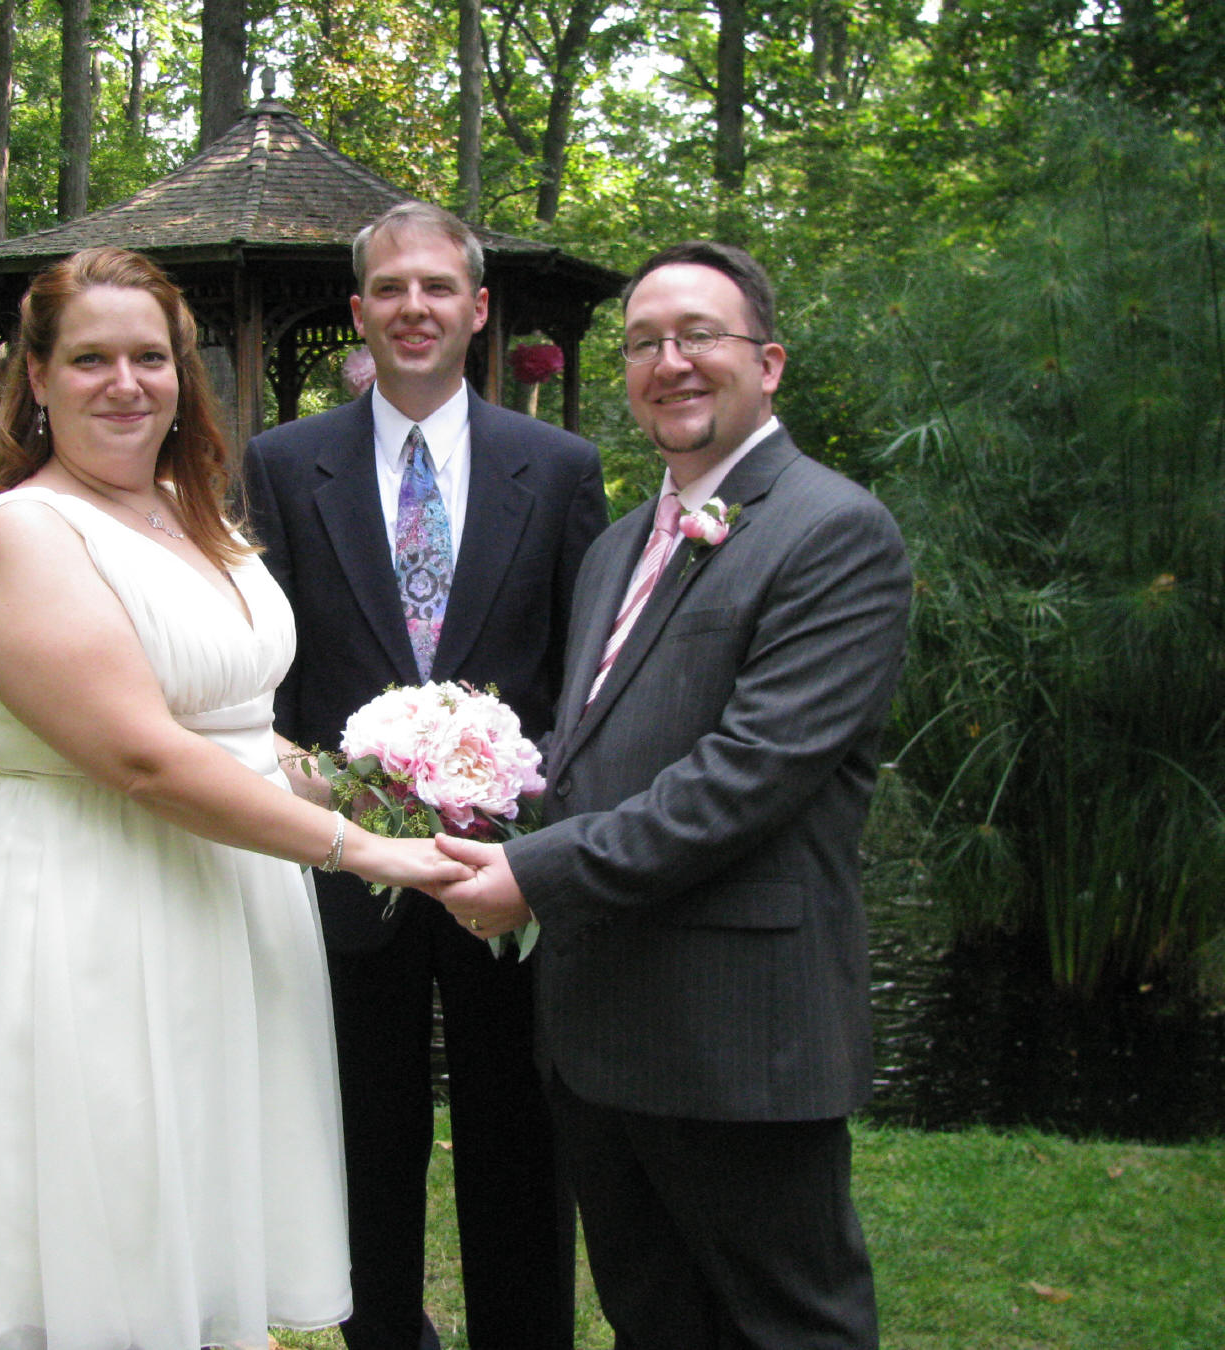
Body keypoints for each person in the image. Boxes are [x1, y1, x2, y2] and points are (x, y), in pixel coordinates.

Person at [0, 246, 467, 1350]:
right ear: (40, 379)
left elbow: (236, 730)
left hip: (216, 897)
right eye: (92, 358)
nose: (126, 383)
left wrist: (392, 777)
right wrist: (365, 850)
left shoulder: (184, 508)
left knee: (202, 1211)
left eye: (150, 357)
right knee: (114, 1224)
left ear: (183, 374)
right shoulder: (28, 531)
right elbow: (146, 760)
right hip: (90, 904)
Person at [433, 240, 912, 1350]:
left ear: (770, 361)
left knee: (789, 1324)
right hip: (602, 1031)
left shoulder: (833, 532)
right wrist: (449, 786)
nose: (670, 362)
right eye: (647, 342)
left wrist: (532, 875)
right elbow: (591, 750)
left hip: (741, 1034)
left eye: (700, 335)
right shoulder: (614, 547)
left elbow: (744, 780)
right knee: (657, 1321)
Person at [242, 202, 605, 1350]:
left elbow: (582, 679)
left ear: (478, 309)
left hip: (508, 873)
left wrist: (547, 847)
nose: (414, 308)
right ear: (359, 310)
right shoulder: (283, 464)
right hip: (348, 871)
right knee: (360, 1135)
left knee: (520, 1136)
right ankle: (380, 1334)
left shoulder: (557, 469)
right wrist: (331, 814)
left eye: (438, 288)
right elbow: (275, 684)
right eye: (390, 289)